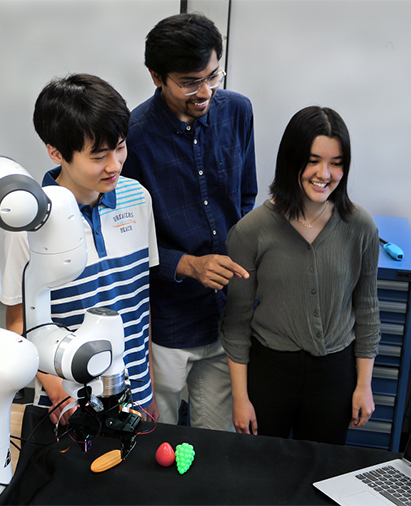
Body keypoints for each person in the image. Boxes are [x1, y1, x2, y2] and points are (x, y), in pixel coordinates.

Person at [121, 12, 257, 431]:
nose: (205, 93)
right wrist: (188, 265)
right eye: (189, 83)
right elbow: (125, 242)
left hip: (227, 318)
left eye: (213, 76)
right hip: (168, 323)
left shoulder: (237, 111)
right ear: (156, 76)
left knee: (215, 440)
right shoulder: (133, 136)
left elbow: (247, 198)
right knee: (152, 437)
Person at [2, 74, 160, 426]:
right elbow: (18, 325)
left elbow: (137, 303)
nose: (114, 165)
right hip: (69, 403)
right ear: (56, 152)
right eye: (98, 155)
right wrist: (59, 397)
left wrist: (149, 388)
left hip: (135, 393)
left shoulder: (137, 198)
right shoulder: (28, 222)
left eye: (120, 147)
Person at [220, 106, 380, 445]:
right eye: (313, 160)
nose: (325, 173)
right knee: (262, 474)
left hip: (335, 373)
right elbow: (236, 322)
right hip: (270, 372)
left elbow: (366, 308)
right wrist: (239, 397)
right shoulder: (251, 231)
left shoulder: (360, 227)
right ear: (292, 160)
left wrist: (364, 385)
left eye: (336, 162)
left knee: (323, 475)